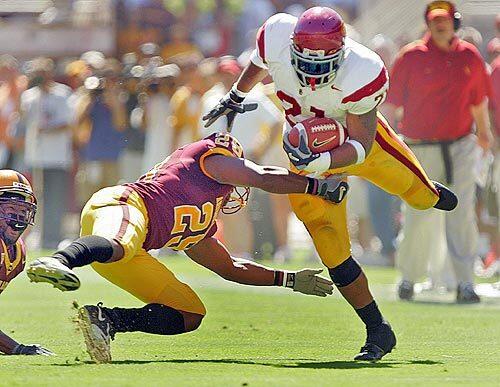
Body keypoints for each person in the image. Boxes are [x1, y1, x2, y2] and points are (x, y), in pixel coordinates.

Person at [202, 6, 458, 361]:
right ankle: (378, 329)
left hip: (355, 141)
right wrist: (236, 95)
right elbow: (259, 62)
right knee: (331, 249)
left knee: (418, 195)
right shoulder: (275, 34)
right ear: (290, 46)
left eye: (322, 65)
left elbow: (361, 145)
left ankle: (430, 193)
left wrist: (323, 161)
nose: (310, 73)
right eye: (303, 62)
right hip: (303, 147)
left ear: (342, 53)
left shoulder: (364, 69)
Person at [26, 132, 347, 363]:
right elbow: (261, 176)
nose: (236, 185)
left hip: (126, 251)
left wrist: (288, 280)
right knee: (121, 242)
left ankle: (106, 319)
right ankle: (59, 261)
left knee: (190, 313)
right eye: (235, 173)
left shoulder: (199, 225)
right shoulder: (207, 157)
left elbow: (230, 268)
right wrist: (317, 186)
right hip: (123, 204)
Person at [384, 1, 493, 303]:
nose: (440, 25)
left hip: (460, 145)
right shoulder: (410, 57)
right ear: (427, 24)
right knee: (418, 213)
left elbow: (479, 101)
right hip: (420, 147)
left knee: (461, 216)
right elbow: (392, 105)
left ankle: (464, 282)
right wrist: (391, 143)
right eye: (435, 20)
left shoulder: (468, 56)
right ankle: (408, 277)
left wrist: (485, 134)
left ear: (454, 23)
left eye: (445, 20)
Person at [20, 57, 74, 249]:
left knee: (55, 198)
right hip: (36, 155)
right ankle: (38, 235)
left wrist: (48, 129)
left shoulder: (63, 93)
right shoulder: (29, 96)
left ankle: (54, 236)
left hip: (57, 155)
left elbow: (69, 122)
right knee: (36, 197)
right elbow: (23, 120)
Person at [0, 170, 52, 356]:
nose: (18, 219)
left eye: (23, 211)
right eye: (10, 211)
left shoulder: (18, 253)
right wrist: (16, 348)